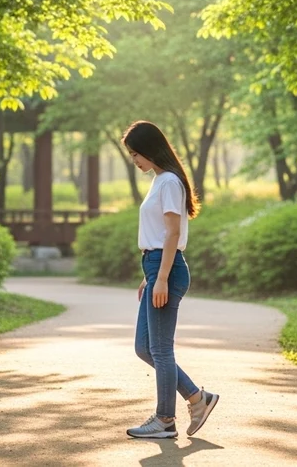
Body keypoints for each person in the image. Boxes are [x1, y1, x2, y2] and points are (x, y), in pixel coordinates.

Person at [121, 120, 220, 439]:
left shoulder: (169, 183)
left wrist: (161, 277)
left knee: (161, 350)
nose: (134, 160)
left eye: (136, 153)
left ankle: (165, 419)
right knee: (144, 347)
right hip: (155, 267)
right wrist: (149, 277)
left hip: (168, 268)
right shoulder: (160, 180)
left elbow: (172, 233)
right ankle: (197, 398)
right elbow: (157, 234)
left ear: (149, 149)